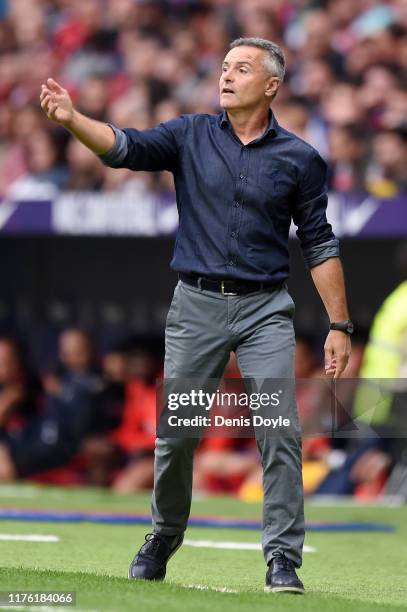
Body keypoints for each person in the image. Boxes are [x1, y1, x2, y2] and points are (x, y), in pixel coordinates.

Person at [40, 37, 353, 595]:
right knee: (177, 434)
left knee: (279, 431)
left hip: (265, 311)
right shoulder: (188, 134)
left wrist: (339, 324)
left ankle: (283, 559)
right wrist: (71, 119)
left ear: (272, 86)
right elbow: (124, 148)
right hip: (197, 307)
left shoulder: (301, 158)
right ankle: (163, 534)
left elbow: (320, 243)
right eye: (225, 67)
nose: (226, 76)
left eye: (242, 69)